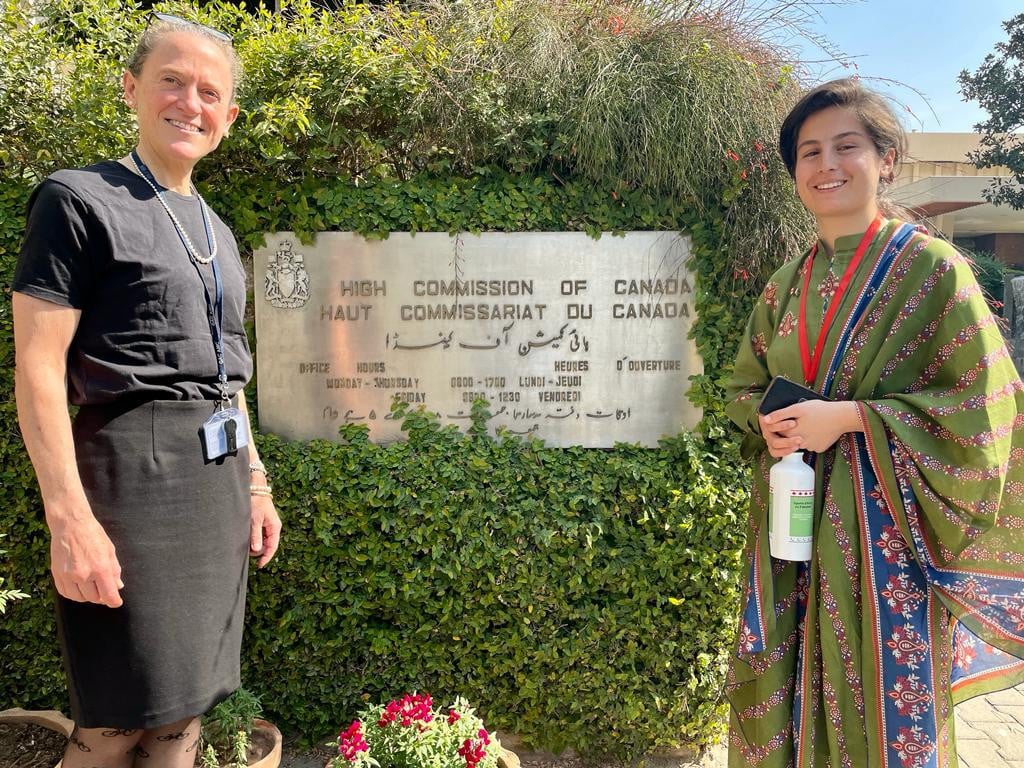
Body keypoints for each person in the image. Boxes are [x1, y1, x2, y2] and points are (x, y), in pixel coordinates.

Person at [725, 77, 1024, 768]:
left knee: (885, 719)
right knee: (781, 692)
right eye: (809, 152)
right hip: (787, 532)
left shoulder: (931, 270)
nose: (826, 165)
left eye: (846, 146)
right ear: (794, 172)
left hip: (886, 546)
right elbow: (743, 385)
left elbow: (988, 406)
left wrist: (857, 418)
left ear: (886, 159)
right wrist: (762, 424)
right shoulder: (785, 285)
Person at [12, 14, 281, 768]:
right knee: (118, 721)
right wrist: (70, 522)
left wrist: (256, 484)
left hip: (213, 494)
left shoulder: (219, 231)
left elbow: (228, 373)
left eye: (209, 92)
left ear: (228, 119)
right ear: (132, 88)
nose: (189, 102)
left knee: (181, 716)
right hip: (130, 483)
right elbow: (36, 367)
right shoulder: (76, 201)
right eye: (172, 80)